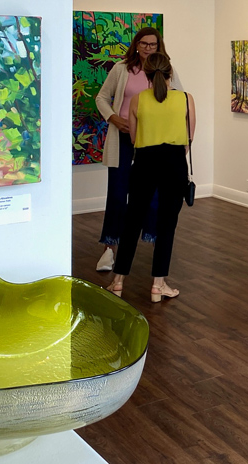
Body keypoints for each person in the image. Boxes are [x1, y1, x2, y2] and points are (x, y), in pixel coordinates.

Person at [106, 52, 195, 303]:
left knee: (132, 222)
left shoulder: (137, 100)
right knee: (167, 225)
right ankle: (158, 285)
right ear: (170, 74)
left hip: (144, 162)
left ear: (146, 74)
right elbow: (189, 138)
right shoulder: (186, 99)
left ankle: (118, 281)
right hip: (174, 162)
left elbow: (133, 138)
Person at [94, 27, 183, 272]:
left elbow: (179, 100)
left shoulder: (167, 72)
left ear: (159, 46)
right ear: (135, 45)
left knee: (153, 194)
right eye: (143, 43)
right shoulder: (121, 70)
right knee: (118, 192)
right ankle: (109, 248)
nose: (147, 48)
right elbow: (101, 98)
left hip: (152, 141)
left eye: (152, 44)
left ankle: (155, 243)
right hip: (123, 137)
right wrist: (114, 118)